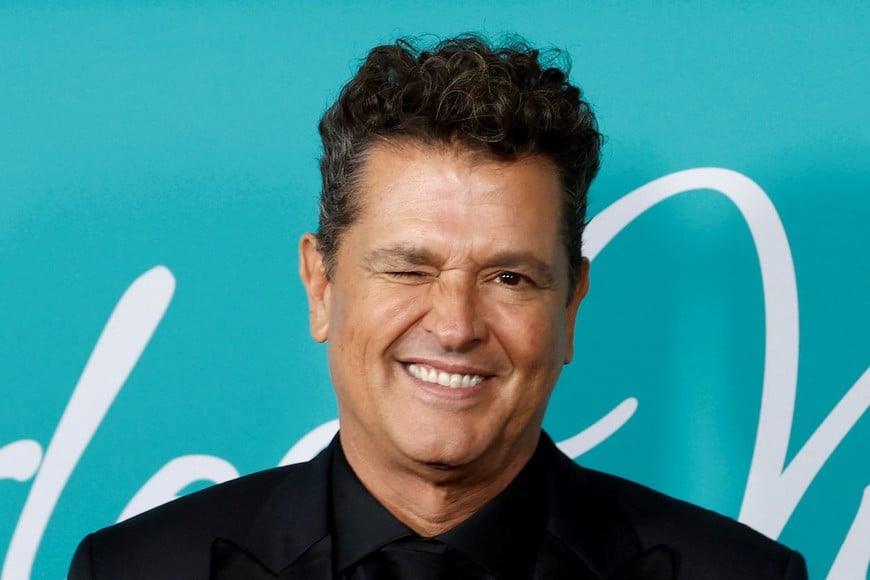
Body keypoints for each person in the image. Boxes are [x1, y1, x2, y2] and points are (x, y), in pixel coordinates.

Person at [69, 35, 808, 580]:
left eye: (510, 278)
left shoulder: (739, 574)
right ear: (320, 285)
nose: (455, 325)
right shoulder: (136, 569)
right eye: (409, 269)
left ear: (572, 304)